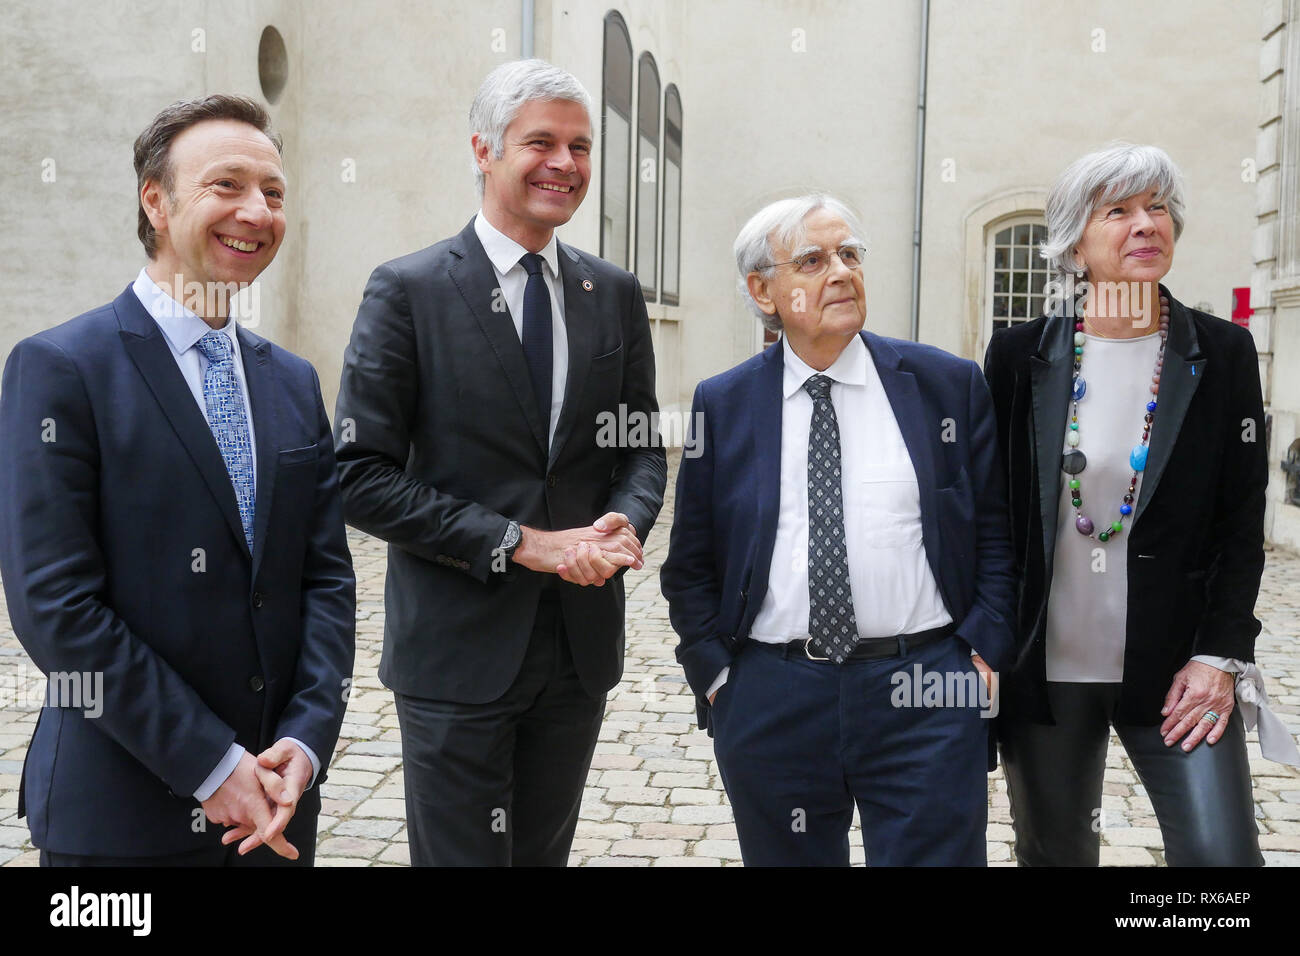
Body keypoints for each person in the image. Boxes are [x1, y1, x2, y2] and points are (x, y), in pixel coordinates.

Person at [0, 94, 356, 866]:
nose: (255, 211)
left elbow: (325, 578)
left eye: (273, 193)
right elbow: (55, 607)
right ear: (155, 201)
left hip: (276, 808)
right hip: (122, 818)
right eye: (226, 185)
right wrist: (211, 764)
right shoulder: (62, 369)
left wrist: (306, 734)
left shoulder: (292, 381)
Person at [334, 59, 666, 867]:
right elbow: (358, 475)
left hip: (577, 650)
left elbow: (639, 442)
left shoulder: (612, 292)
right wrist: (521, 541)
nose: (566, 163)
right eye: (541, 142)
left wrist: (628, 518)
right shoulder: (408, 291)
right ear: (484, 150)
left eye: (581, 147)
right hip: (458, 649)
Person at [660, 194, 1016, 866]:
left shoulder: (946, 386)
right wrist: (717, 677)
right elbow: (692, 563)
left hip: (927, 689)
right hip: (775, 695)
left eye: (850, 255)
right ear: (763, 291)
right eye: (814, 260)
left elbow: (994, 533)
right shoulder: (725, 403)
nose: (842, 272)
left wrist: (982, 653)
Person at [984, 142, 1294, 867]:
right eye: (1117, 211)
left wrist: (1221, 654)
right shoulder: (1019, 357)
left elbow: (1240, 523)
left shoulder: (1221, 354)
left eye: (1157, 207)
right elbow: (991, 520)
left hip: (1178, 668)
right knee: (1055, 855)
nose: (1145, 224)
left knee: (1222, 861)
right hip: (1048, 670)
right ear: (1074, 244)